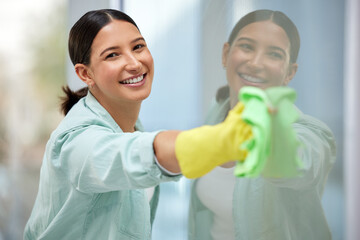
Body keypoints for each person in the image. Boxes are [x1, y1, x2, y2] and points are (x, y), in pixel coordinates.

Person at [23, 8, 275, 240]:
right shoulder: (76, 141)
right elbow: (136, 153)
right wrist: (219, 140)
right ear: (85, 74)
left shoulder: (131, 126)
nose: (134, 63)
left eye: (138, 47)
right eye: (113, 55)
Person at [188, 9, 336, 240]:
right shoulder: (216, 113)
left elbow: (298, 163)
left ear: (289, 73)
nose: (256, 63)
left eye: (274, 54)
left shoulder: (311, 133)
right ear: (226, 54)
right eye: (247, 47)